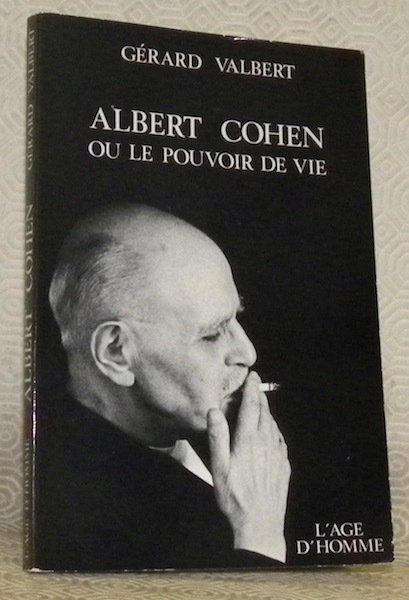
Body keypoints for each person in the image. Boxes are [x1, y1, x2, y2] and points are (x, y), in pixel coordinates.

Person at [36, 203, 291, 570]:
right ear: (116, 352)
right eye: (212, 335)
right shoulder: (74, 518)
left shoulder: (206, 431)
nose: (247, 353)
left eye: (236, 318)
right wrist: (259, 536)